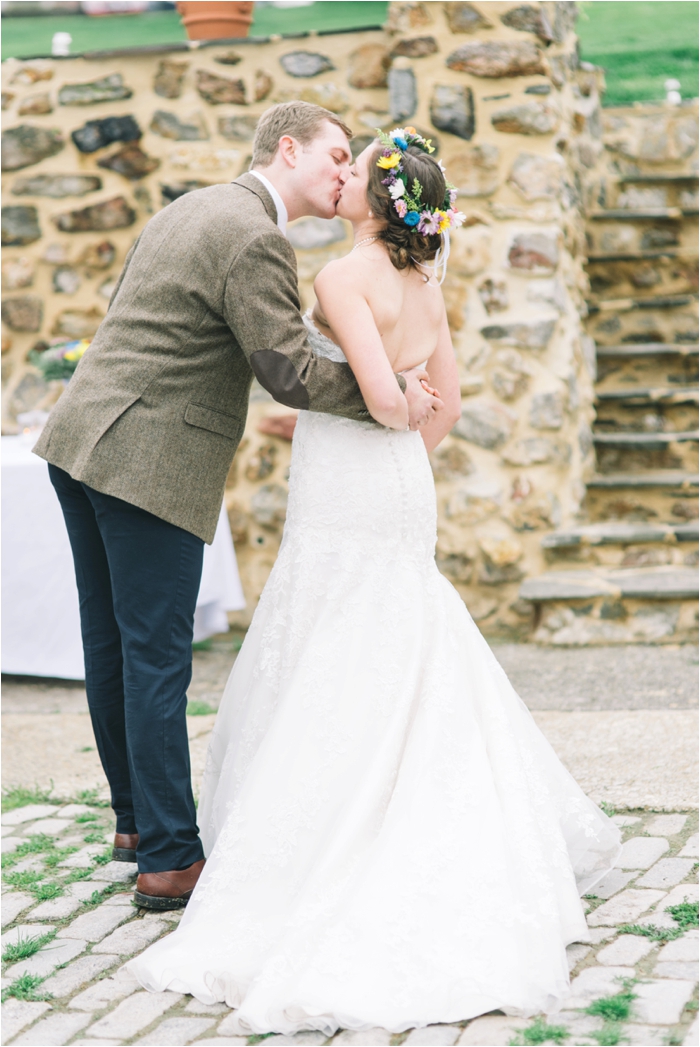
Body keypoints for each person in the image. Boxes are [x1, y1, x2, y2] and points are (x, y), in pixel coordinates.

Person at [129, 130, 621, 1034]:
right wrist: (388, 428)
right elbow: (443, 412)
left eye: (355, 173)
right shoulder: (427, 284)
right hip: (400, 483)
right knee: (400, 629)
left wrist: (389, 410)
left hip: (352, 483)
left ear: (381, 205)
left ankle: (330, 838)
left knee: (335, 633)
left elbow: (384, 399)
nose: (342, 175)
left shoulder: (339, 280)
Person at [32, 103, 443, 911]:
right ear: (285, 149)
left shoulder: (192, 203)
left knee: (113, 648)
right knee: (155, 658)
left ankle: (136, 824)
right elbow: (288, 371)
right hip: (147, 460)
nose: (340, 173)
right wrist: (389, 393)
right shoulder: (256, 234)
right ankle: (172, 859)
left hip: (79, 440)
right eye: (333, 156)